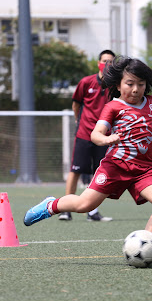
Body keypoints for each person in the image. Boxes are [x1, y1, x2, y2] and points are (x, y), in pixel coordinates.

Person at [23, 56, 152, 267]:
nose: (136, 89)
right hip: (115, 167)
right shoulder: (113, 106)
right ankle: (51, 205)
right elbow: (96, 134)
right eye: (130, 84)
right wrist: (107, 139)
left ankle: (145, 249)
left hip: (144, 170)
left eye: (141, 84)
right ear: (118, 85)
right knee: (84, 204)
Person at [59, 49, 116, 222]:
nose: (107, 65)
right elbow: (76, 104)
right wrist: (78, 120)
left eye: (111, 62)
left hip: (103, 136)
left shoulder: (116, 86)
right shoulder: (86, 82)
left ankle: (92, 211)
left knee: (99, 173)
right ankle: (65, 209)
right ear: (98, 62)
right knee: (75, 171)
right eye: (104, 61)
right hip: (84, 134)